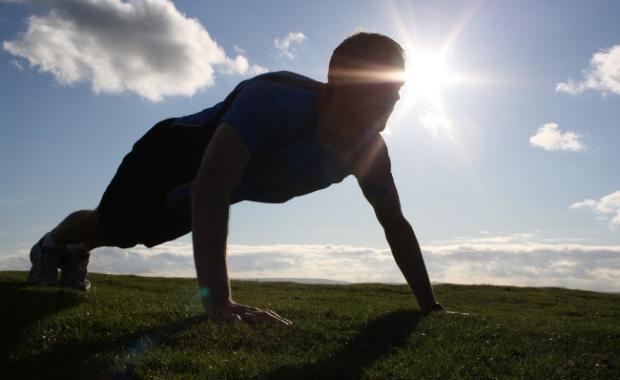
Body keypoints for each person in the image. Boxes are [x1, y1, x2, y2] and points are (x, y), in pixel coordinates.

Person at [27, 32, 444, 325]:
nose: (395, 96)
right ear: (344, 82)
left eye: (398, 86)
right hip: (169, 152)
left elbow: (394, 223)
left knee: (130, 234)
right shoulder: (274, 98)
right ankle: (50, 247)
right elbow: (211, 187)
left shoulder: (370, 152)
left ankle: (76, 249)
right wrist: (219, 303)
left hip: (215, 189)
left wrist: (430, 306)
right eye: (384, 85)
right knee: (111, 222)